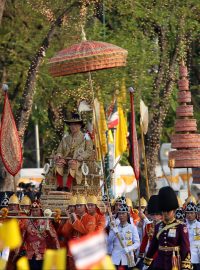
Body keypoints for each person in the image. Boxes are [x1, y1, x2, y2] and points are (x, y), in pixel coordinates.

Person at [143, 186, 192, 270]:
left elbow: (185, 248)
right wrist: (147, 261)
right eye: (163, 211)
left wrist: (185, 267)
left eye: (168, 211)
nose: (165, 213)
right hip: (160, 263)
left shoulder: (181, 226)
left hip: (174, 264)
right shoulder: (158, 226)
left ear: (173, 210)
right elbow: (153, 245)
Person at [54, 113, 93, 191]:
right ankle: (60, 186)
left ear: (80, 126)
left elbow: (89, 150)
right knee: (59, 163)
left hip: (79, 160)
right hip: (66, 158)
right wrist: (58, 155)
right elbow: (59, 150)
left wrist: (81, 157)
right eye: (71, 125)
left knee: (72, 163)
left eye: (75, 125)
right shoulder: (66, 138)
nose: (73, 127)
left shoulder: (86, 137)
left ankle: (67, 186)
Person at [20, 200, 60, 270]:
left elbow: (54, 236)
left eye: (36, 210)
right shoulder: (27, 222)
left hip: (43, 253)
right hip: (30, 253)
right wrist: (18, 250)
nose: (35, 212)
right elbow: (22, 237)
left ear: (40, 210)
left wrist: (57, 248)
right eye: (33, 210)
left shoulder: (46, 221)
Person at [60, 195, 96, 270]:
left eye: (80, 205)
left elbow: (87, 232)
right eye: (77, 205)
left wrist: (75, 221)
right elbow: (65, 231)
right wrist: (70, 219)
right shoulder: (73, 216)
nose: (78, 207)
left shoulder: (91, 218)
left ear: (85, 207)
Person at [108, 203, 140, 269]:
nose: (121, 216)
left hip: (127, 258)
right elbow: (109, 241)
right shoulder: (115, 227)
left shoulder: (132, 227)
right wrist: (113, 230)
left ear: (127, 215)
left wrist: (129, 248)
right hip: (115, 258)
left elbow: (137, 243)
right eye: (119, 213)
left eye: (123, 213)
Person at [185, 201, 200, 270]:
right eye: (187, 213)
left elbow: (198, 242)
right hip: (185, 258)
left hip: (196, 258)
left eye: (191, 213)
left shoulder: (199, 225)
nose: (189, 215)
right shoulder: (182, 225)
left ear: (196, 214)